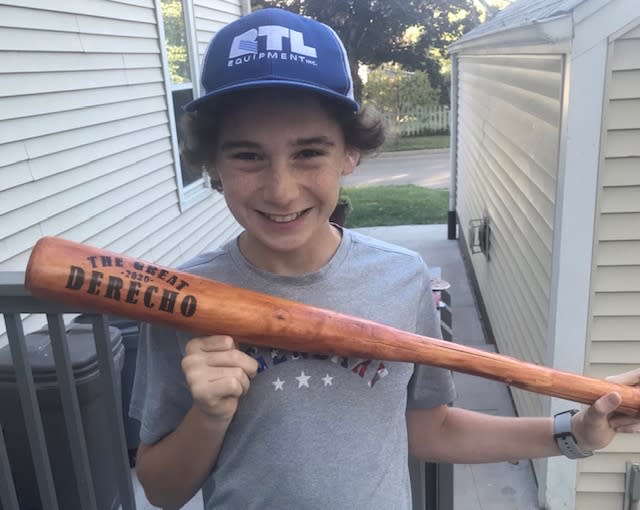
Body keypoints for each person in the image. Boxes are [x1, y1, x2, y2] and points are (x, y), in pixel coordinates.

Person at [129, 7, 640, 509]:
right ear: (213, 162)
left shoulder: (400, 277)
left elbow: (432, 427)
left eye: (309, 152)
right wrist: (209, 416)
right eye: (247, 155)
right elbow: (161, 490)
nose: (281, 191)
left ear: (350, 153)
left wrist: (571, 432)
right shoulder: (180, 297)